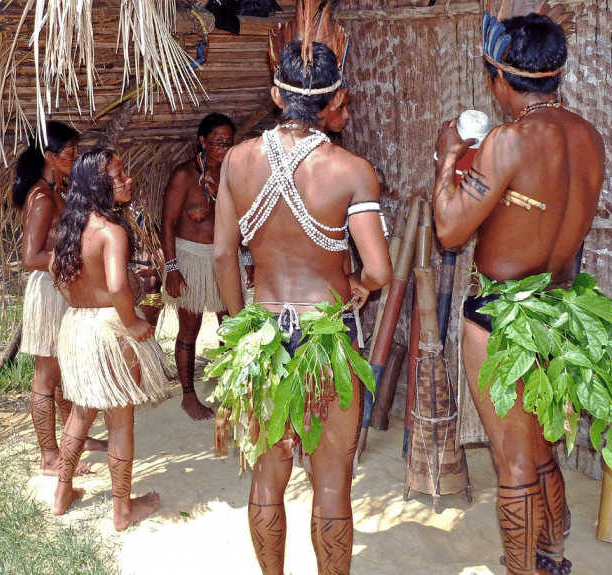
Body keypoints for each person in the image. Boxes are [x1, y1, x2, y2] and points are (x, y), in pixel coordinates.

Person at [431, 12, 603, 575]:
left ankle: (521, 568)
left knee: (513, 462)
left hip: (501, 315)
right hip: (558, 311)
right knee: (541, 450)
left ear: (499, 78)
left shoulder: (509, 141)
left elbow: (450, 231)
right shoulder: (586, 136)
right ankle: (552, 557)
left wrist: (446, 161)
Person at [213, 40, 392, 575]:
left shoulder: (238, 162)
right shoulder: (352, 171)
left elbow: (224, 255)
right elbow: (379, 271)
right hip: (327, 337)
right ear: (336, 96)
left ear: (275, 95)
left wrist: (236, 326)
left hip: (263, 337)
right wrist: (357, 283)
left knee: (267, 475)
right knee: (331, 480)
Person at [49, 148, 170, 526]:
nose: (127, 180)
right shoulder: (110, 231)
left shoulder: (72, 227)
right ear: (98, 185)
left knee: (81, 415)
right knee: (120, 420)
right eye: (118, 176)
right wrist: (132, 322)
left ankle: (63, 492)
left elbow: (57, 273)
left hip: (78, 326)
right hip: (110, 332)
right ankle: (122, 508)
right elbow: (118, 285)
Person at [12, 121, 105, 476]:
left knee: (66, 370)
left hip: (61, 286)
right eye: (70, 152)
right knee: (47, 377)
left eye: (76, 151)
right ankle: (50, 456)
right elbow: (29, 257)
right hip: (49, 291)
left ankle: (73, 438)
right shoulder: (40, 197)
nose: (75, 157)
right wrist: (71, 262)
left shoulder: (57, 190)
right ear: (50, 157)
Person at [160, 113, 241, 420]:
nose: (223, 148)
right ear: (202, 141)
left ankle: (233, 388)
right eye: (217, 142)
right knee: (189, 329)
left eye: (228, 142)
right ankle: (188, 396)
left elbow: (240, 222)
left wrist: (245, 259)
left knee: (231, 328)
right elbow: (166, 223)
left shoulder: (232, 174)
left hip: (223, 258)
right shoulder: (184, 175)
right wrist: (172, 268)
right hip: (189, 257)